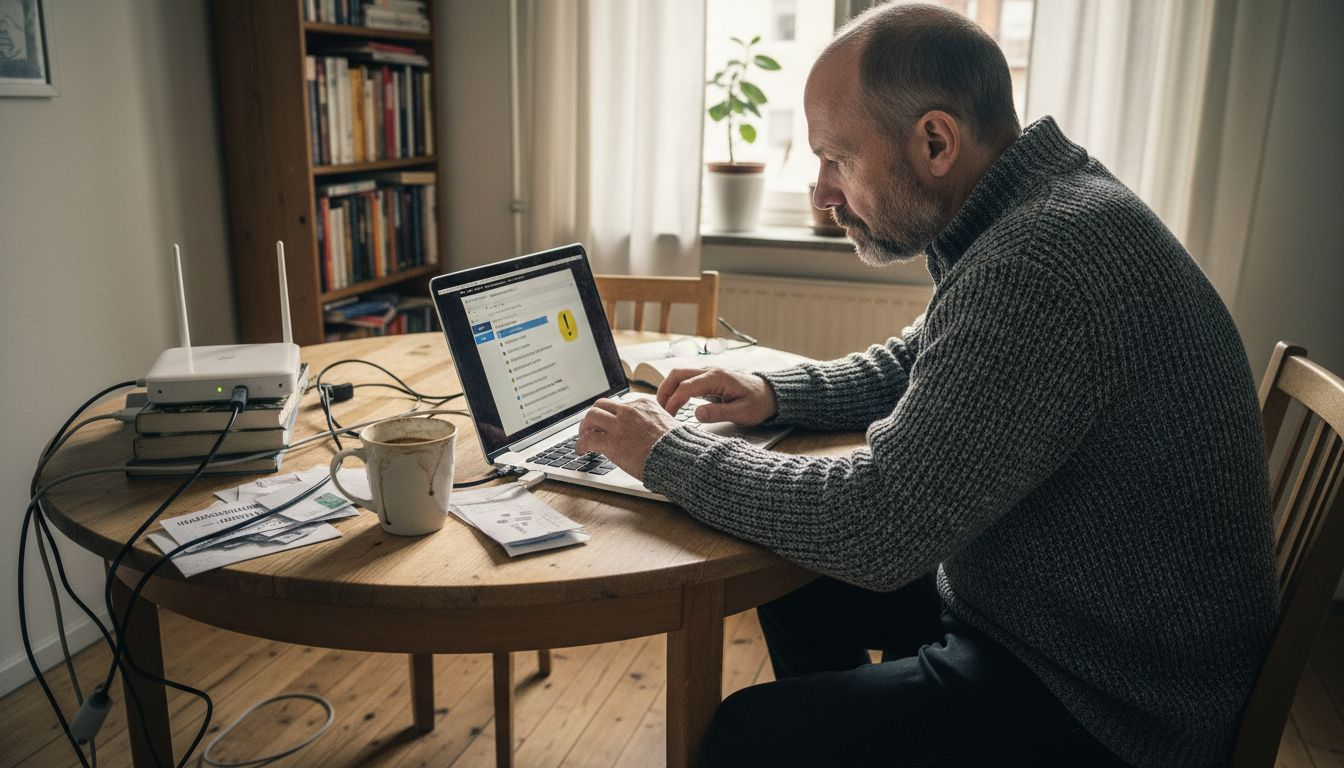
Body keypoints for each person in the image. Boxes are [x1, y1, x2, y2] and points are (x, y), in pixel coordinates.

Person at [574, 4, 1278, 766]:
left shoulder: (1042, 263)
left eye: (835, 160)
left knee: (748, 736)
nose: (820, 194)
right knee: (791, 579)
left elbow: (878, 525)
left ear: (935, 141)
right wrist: (781, 394)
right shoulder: (1036, 209)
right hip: (1066, 625)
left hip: (1112, 704)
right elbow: (923, 357)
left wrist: (666, 452)